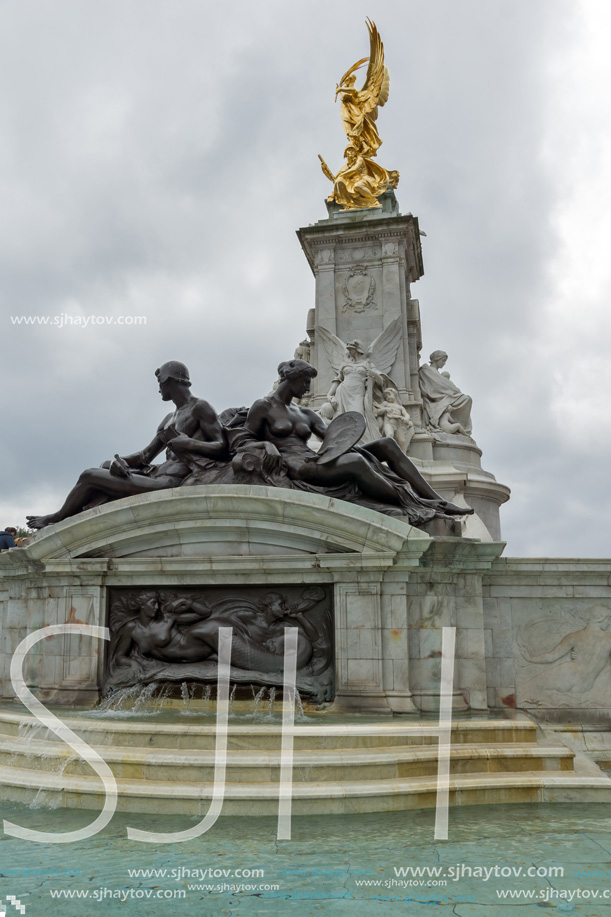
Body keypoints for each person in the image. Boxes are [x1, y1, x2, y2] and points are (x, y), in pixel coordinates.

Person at [245, 359, 472, 526]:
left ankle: (437, 500)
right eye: (305, 381)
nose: (308, 387)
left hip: (313, 458)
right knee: (355, 460)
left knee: (386, 444)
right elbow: (243, 439)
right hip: (296, 466)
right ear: (291, 380)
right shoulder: (263, 406)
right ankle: (416, 503)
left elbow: (334, 437)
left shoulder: (305, 413)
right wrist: (267, 445)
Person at [26, 361, 228, 530]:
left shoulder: (200, 407)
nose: (158, 388)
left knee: (89, 475)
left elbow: (222, 447)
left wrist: (188, 443)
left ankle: (57, 517)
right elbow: (145, 456)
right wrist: (119, 461)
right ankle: (72, 520)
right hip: (154, 474)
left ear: (170, 380)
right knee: (105, 466)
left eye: (160, 382)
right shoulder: (169, 418)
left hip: (169, 482)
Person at [418, 350, 473, 436]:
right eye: (443, 361)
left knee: (467, 399)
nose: (444, 363)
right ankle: (459, 428)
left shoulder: (437, 373)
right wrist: (453, 391)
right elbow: (435, 387)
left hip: (445, 396)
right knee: (466, 399)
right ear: (436, 359)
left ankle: (460, 429)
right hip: (435, 398)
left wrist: (452, 391)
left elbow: (444, 386)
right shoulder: (426, 370)